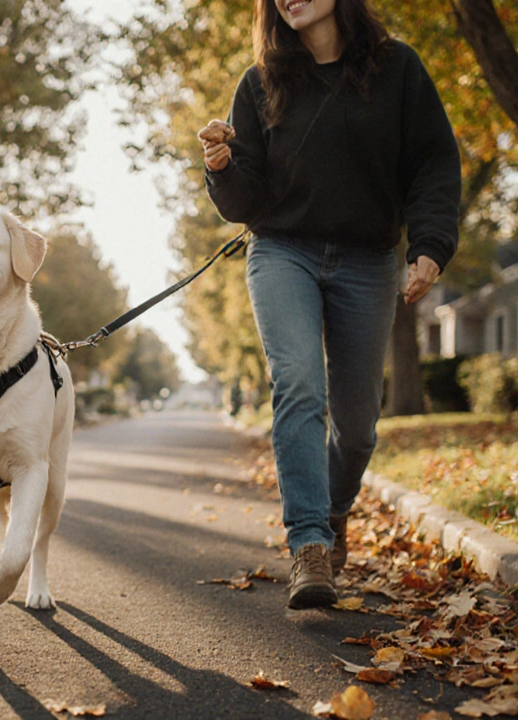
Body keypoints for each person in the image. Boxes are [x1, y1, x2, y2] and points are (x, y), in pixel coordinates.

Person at [198, 0, 460, 609]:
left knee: (360, 424)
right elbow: (244, 201)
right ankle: (309, 545)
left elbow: (433, 164)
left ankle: (335, 509)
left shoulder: (399, 70)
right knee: (297, 384)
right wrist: (220, 167)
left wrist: (429, 245)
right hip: (282, 251)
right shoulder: (260, 83)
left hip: (368, 258)